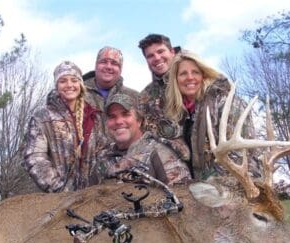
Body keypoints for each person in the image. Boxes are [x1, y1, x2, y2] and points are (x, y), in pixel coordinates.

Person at [165, 51, 258, 180]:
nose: (190, 77)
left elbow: (241, 154)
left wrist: (218, 186)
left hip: (235, 183)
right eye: (183, 73)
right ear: (176, 80)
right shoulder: (179, 114)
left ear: (203, 75)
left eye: (195, 72)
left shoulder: (226, 102)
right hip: (202, 186)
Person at [24, 61, 108, 192]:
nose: (69, 85)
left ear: (80, 84)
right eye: (63, 81)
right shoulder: (42, 117)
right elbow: (34, 157)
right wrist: (59, 189)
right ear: (56, 86)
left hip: (92, 197)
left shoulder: (93, 116)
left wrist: (100, 186)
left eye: (74, 80)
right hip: (59, 198)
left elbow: (104, 151)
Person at [90, 93, 191, 186]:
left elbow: (183, 197)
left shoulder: (160, 154)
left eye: (126, 114)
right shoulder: (103, 156)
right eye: (112, 117)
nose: (119, 121)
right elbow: (90, 198)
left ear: (139, 121)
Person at [137, 34, 181, 139]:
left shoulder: (192, 81)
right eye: (150, 56)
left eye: (161, 51)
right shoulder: (144, 97)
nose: (157, 58)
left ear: (172, 52)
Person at [83, 46, 139, 112]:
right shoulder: (77, 93)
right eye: (103, 62)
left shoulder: (135, 97)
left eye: (114, 63)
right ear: (96, 65)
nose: (108, 67)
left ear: (120, 69)